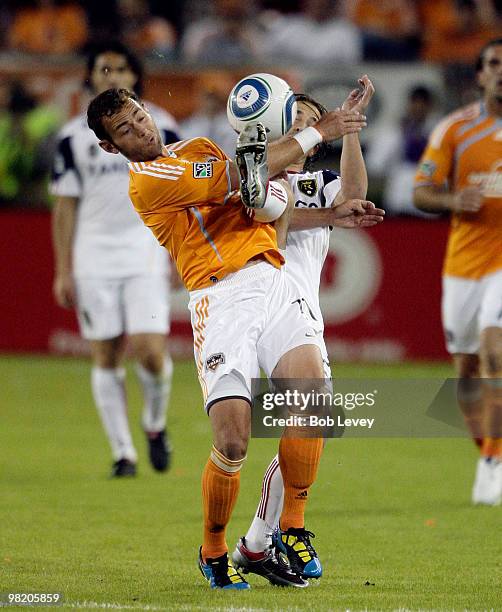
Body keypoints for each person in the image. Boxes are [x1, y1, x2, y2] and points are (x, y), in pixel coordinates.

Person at [86, 85, 369, 588]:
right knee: (234, 441)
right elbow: (242, 175)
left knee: (314, 404)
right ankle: (214, 549)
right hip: (221, 299)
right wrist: (320, 131)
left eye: (139, 115)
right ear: (112, 147)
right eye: (125, 129)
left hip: (275, 278)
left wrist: (327, 216)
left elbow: (253, 199)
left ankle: (291, 527)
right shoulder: (148, 180)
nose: (141, 128)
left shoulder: (198, 148)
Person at [232, 80, 384, 583]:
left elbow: (356, 196)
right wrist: (330, 216)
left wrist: (352, 133)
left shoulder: (317, 180)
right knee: (300, 415)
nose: (303, 132)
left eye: (311, 126)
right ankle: (283, 531)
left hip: (300, 309)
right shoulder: (254, 170)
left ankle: (260, 541)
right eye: (294, 124)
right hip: (255, 299)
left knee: (308, 421)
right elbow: (266, 216)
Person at [51, 42, 180, 478]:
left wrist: (181, 252)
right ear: (89, 78)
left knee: (149, 351)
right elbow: (65, 206)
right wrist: (63, 269)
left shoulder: (161, 127)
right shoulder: (73, 139)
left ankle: (155, 423)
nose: (113, 76)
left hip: (146, 252)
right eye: (104, 69)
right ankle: (123, 452)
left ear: (136, 77)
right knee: (105, 354)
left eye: (122, 68)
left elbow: (184, 194)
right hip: (93, 259)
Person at [414, 38, 502, 505]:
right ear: (480, 75)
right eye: (494, 63)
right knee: (466, 374)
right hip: (464, 264)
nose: (501, 71)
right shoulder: (455, 131)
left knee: (495, 353)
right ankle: (488, 449)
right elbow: (420, 191)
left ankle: (493, 462)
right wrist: (452, 200)